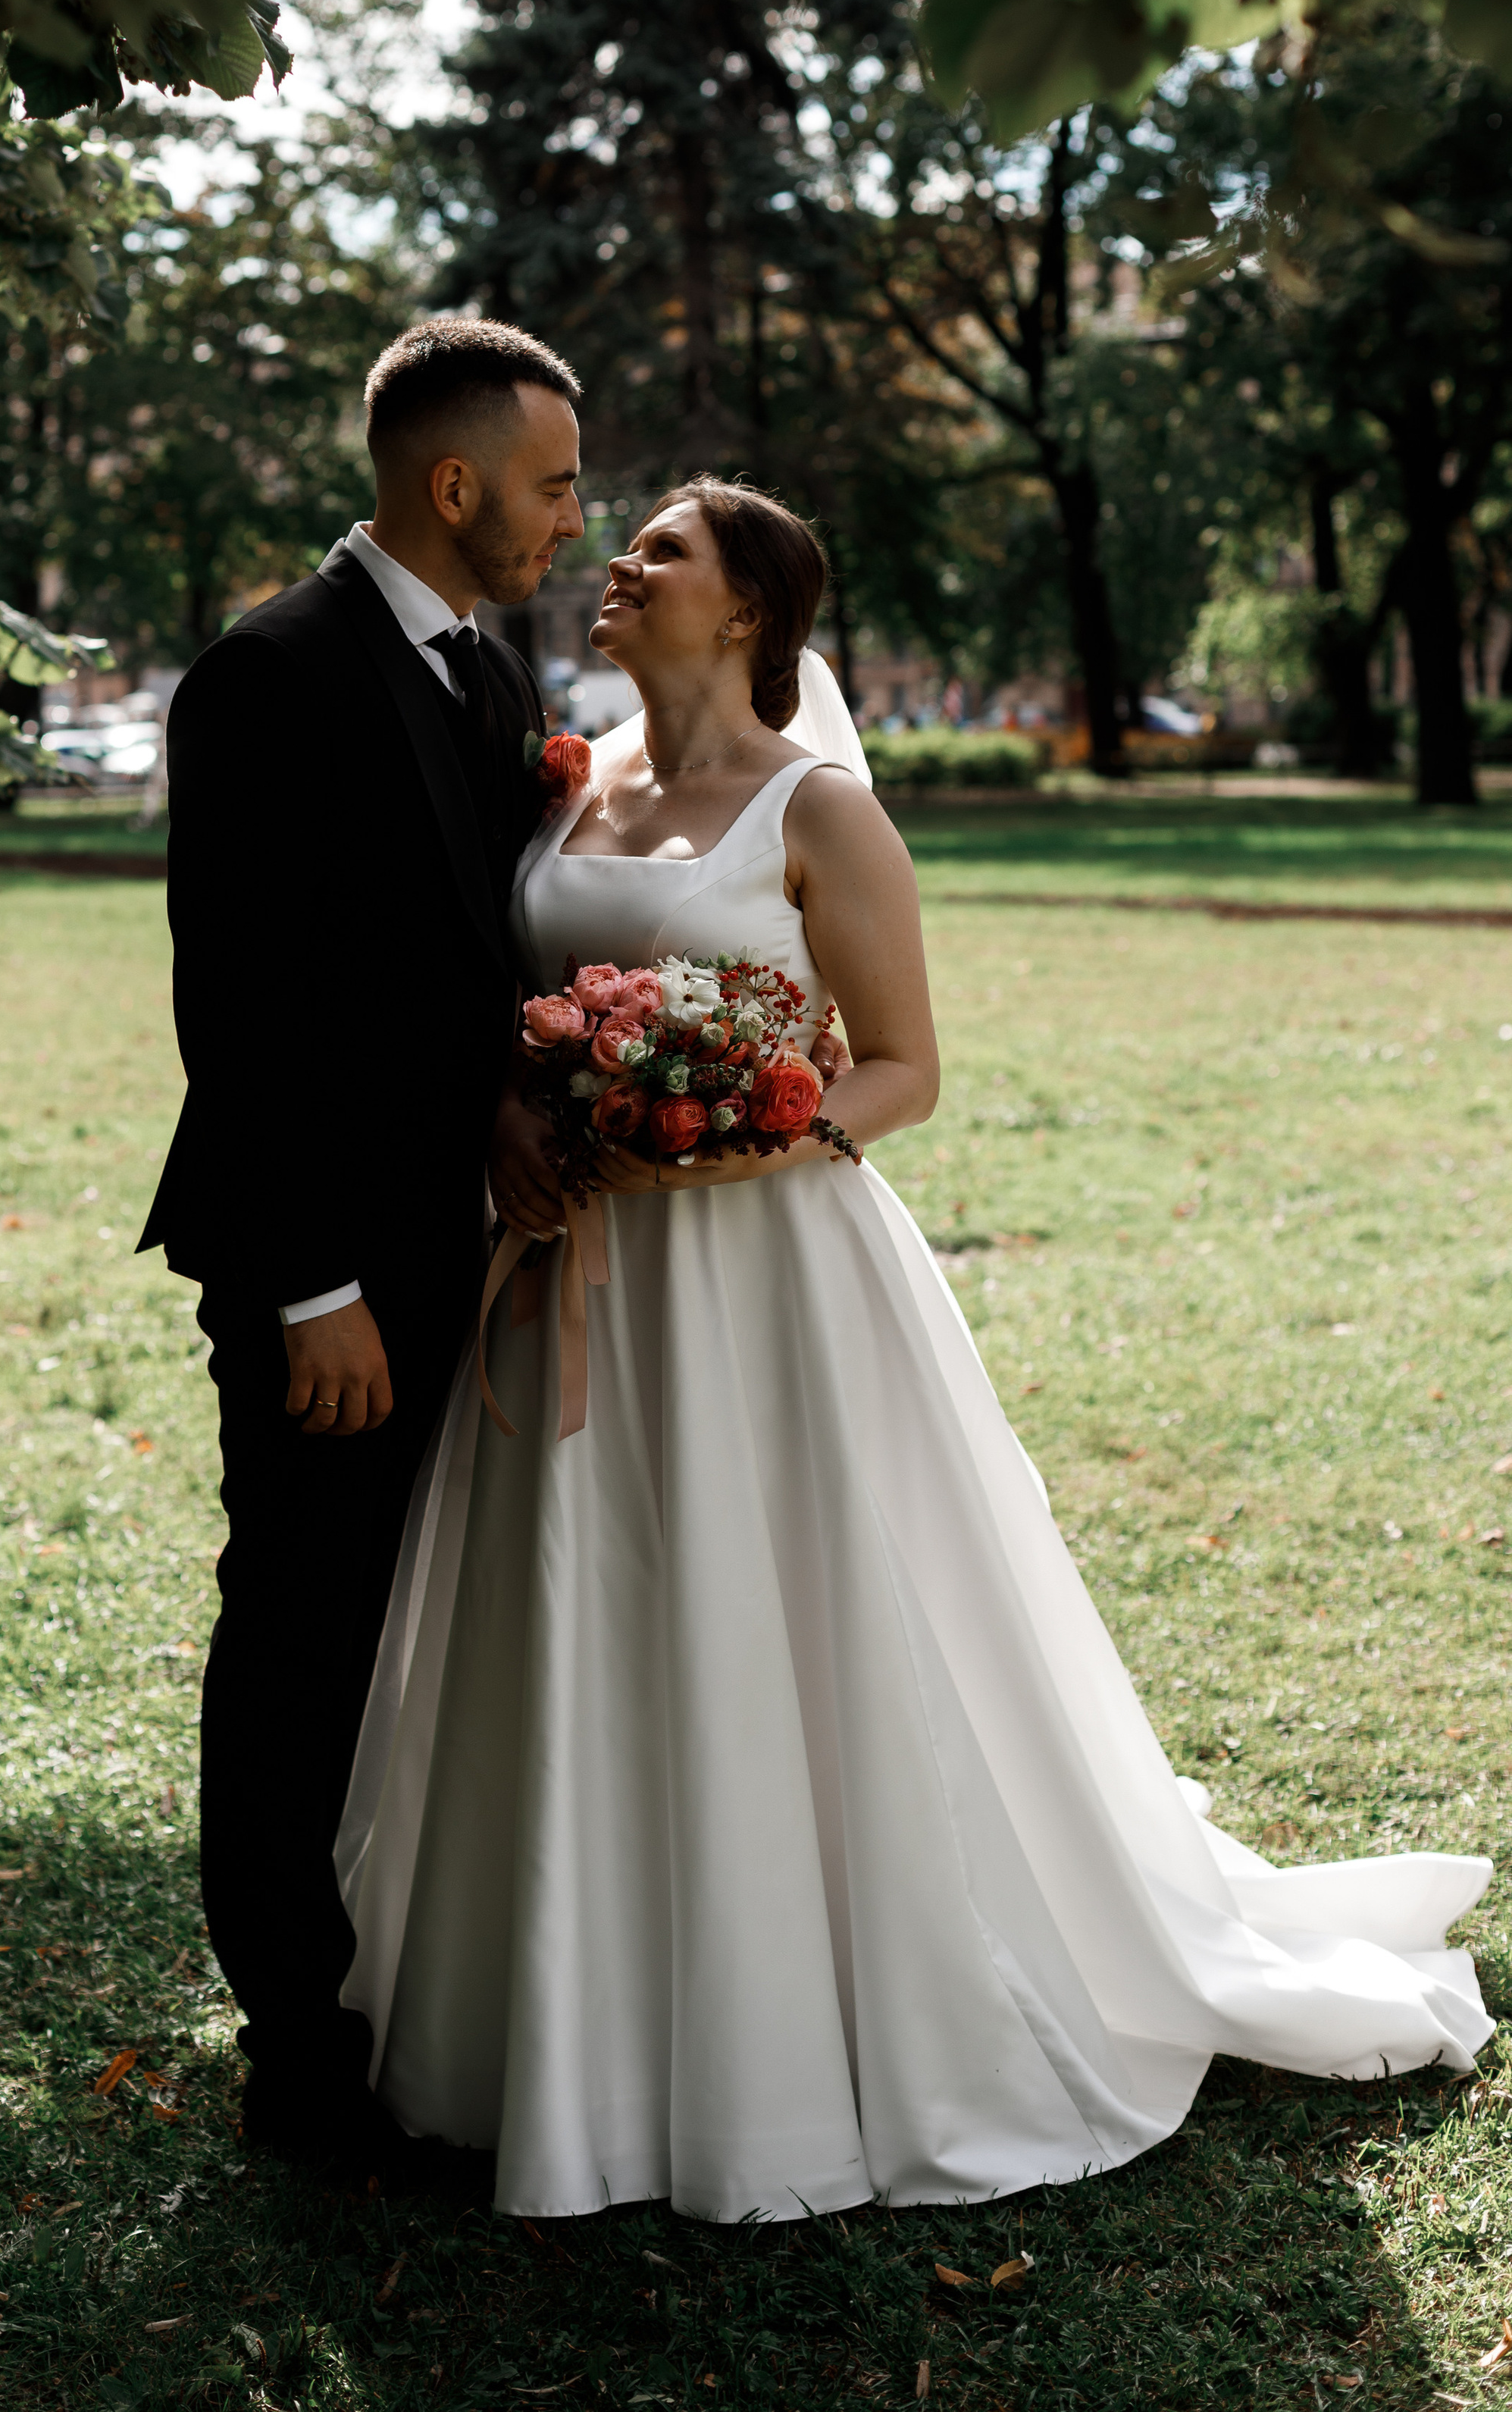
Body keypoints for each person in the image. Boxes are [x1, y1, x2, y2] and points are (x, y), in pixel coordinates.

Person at [337, 476, 1492, 2222]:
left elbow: (900, 1068)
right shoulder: (565, 783)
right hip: (571, 1266)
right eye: (620, 540)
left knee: (787, 1610)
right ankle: (565, 2026)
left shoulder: (820, 813)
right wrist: (521, 1109)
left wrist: (741, 1132)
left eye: (658, 551)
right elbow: (504, 1007)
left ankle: (822, 2025)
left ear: (742, 613)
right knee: (584, 1608)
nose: (614, 567)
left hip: (769, 1278)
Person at [138, 317, 584, 2166]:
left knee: (406, 1636)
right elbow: (237, 1011)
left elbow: (453, 959)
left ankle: (398, 1984)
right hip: (320, 1267)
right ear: (453, 481)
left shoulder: (482, 673)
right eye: (553, 483)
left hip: (454, 1239)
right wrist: (311, 1285)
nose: (575, 515)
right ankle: (296, 2064)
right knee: (305, 1636)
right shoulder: (270, 674)